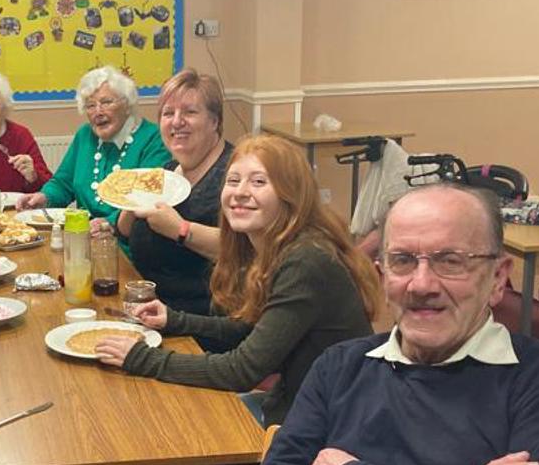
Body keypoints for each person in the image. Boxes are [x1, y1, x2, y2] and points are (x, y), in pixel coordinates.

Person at [253, 184, 539, 465]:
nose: (421, 284)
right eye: (403, 260)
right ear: (382, 277)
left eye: (450, 261)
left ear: (497, 279)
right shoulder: (337, 368)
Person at [97, 134, 380, 425]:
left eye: (259, 182)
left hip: (328, 422)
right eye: (233, 181)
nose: (240, 192)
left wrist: (140, 358)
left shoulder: (306, 261)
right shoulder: (269, 246)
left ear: (291, 195)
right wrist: (173, 320)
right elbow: (249, 326)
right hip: (295, 401)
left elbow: (242, 370)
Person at [116, 69, 233, 316]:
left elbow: (249, 249)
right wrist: (130, 202)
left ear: (215, 121)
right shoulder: (167, 172)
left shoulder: (235, 174)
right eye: (168, 113)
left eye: (190, 112)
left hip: (205, 321)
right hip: (150, 309)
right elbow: (126, 232)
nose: (177, 121)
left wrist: (181, 230)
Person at [15, 66, 171, 230]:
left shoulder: (153, 139)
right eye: (90, 105)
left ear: (127, 105)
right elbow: (63, 183)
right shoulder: (85, 135)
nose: (98, 112)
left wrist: (109, 223)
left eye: (106, 102)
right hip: (84, 235)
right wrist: (44, 197)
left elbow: (148, 200)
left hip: (131, 243)